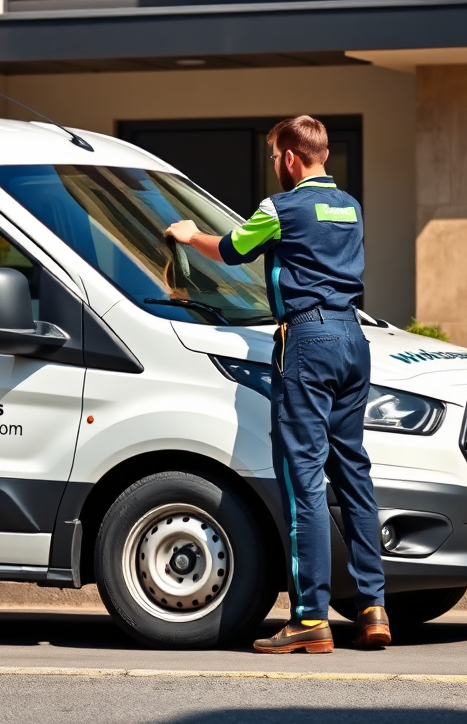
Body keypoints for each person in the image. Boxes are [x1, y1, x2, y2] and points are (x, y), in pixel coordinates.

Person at [164, 115, 389, 653]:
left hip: (306, 343)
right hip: (353, 341)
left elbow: (233, 249)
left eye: (274, 157)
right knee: (353, 474)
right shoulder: (351, 207)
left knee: (303, 479)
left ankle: (310, 616)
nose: (274, 166)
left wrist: (187, 235)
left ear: (290, 158)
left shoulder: (279, 207)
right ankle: (373, 606)